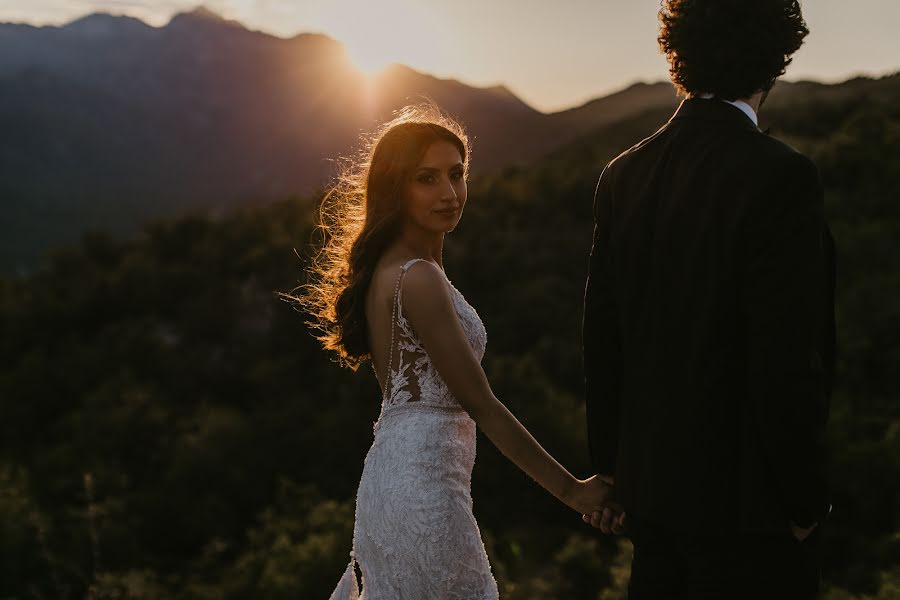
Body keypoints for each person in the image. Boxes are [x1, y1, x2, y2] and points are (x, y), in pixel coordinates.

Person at [296, 105, 622, 599]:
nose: (449, 194)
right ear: (395, 188)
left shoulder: (397, 268)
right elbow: (482, 404)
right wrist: (575, 491)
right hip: (423, 492)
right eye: (426, 179)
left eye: (457, 174)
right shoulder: (417, 277)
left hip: (393, 481)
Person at [581, 1, 836, 598]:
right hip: (752, 513)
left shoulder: (622, 175)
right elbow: (788, 357)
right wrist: (804, 502)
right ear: (776, 57)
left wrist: (614, 472)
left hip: (651, 505)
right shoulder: (781, 175)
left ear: (679, 53)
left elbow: (601, 339)